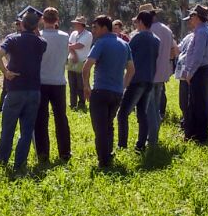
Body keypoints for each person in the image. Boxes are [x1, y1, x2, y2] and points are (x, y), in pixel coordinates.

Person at [0, 10, 46, 172]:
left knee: (8, 128)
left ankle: (2, 160)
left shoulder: (12, 39)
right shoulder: (42, 43)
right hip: (34, 90)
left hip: (15, 89)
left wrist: (6, 71)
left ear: (21, 24)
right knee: (26, 130)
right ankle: (20, 163)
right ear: (37, 26)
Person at [82, 15, 133, 168]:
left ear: (104, 27)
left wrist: (86, 85)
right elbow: (131, 69)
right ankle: (108, 154)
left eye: (95, 27)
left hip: (101, 92)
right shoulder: (125, 45)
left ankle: (103, 161)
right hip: (116, 93)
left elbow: (87, 66)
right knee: (109, 124)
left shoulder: (101, 43)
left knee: (100, 127)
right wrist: (123, 86)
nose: (93, 30)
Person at [34, 7, 72, 163]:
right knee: (61, 118)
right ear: (57, 20)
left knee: (41, 119)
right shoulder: (65, 37)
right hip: (58, 82)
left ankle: (43, 154)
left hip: (41, 82)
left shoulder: (38, 37)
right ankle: (65, 152)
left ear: (43, 19)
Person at [119, 10, 160, 152]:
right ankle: (140, 145)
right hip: (149, 79)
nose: (135, 24)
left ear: (141, 22)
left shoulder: (137, 38)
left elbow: (127, 55)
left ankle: (122, 145)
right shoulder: (156, 39)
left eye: (136, 22)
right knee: (142, 113)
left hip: (135, 80)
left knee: (122, 113)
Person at [178, 5, 208, 143]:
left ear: (196, 17)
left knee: (195, 104)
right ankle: (196, 134)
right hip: (204, 70)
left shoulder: (200, 32)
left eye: (191, 17)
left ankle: (197, 136)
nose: (190, 21)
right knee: (198, 103)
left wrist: (190, 72)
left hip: (199, 71)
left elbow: (197, 55)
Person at [139, 4, 177, 136]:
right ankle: (154, 135)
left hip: (150, 74)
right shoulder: (167, 29)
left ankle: (153, 138)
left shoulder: (148, 30)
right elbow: (174, 50)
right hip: (162, 73)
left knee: (150, 108)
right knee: (156, 107)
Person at [66, 16, 92, 110]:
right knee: (72, 83)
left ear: (81, 24)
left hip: (82, 61)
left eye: (76, 23)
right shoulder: (73, 33)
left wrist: (72, 48)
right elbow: (68, 45)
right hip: (72, 60)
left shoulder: (88, 34)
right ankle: (72, 104)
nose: (74, 25)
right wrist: (74, 55)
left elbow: (79, 45)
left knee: (81, 84)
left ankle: (81, 103)